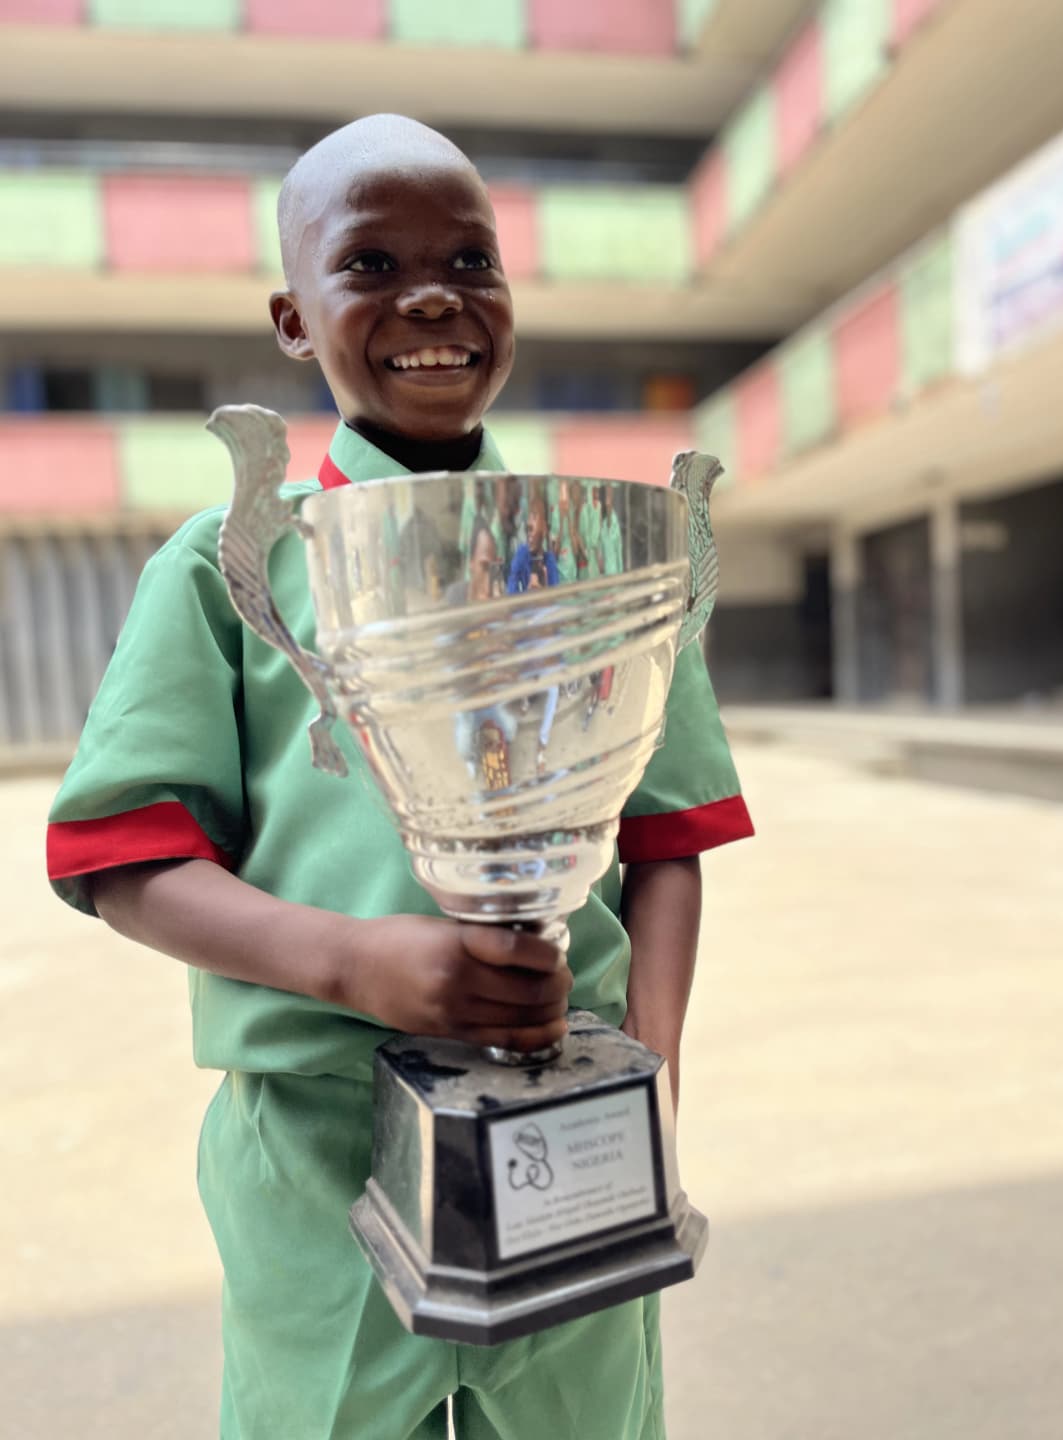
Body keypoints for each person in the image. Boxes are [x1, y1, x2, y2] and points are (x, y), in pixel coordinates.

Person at [45, 113, 754, 1440]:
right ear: (293, 320)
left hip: (578, 1115)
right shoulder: (228, 562)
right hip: (316, 1148)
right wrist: (355, 963)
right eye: (370, 264)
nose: (433, 294)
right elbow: (120, 861)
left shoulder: (607, 549)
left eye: (470, 262)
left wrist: (648, 1077)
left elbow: (668, 847)